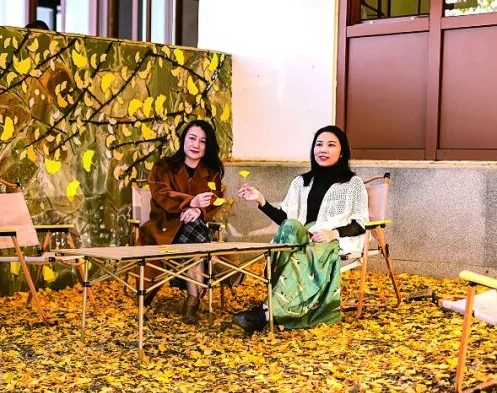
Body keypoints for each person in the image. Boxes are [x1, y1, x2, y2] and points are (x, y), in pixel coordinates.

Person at [233, 125, 368, 334]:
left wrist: (333, 233)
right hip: (300, 237)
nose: (323, 149)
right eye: (319, 144)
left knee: (306, 251)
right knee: (292, 227)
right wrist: (261, 200)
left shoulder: (352, 184)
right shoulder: (300, 182)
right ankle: (275, 307)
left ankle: (264, 313)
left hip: (330, 240)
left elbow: (361, 223)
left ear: (342, 152)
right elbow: (286, 222)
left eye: (331, 145)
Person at [139, 119, 224, 323]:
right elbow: (161, 193)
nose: (196, 145)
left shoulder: (211, 172)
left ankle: (193, 298)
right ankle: (213, 262)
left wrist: (198, 209)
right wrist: (190, 202)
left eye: (202, 141)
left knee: (193, 232)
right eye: (192, 138)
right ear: (183, 139)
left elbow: (215, 198)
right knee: (194, 233)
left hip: (192, 232)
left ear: (208, 146)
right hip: (165, 228)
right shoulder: (163, 167)